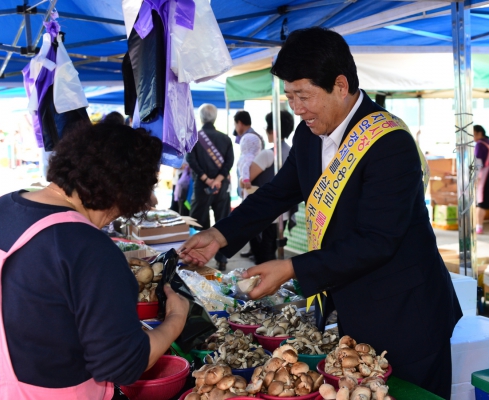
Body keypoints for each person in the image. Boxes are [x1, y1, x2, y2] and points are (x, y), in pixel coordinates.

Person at [180, 27, 461, 399]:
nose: (296, 107)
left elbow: (377, 240)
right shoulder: (309, 134)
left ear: (340, 86)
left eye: (303, 95)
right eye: (291, 95)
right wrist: (220, 235)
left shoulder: (390, 143)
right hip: (354, 308)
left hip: (408, 313)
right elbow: (279, 192)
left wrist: (292, 268)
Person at [0, 122, 190, 400]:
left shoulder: (1, 208)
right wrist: (176, 318)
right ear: (125, 192)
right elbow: (123, 364)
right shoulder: (87, 245)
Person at [186, 104, 234, 271]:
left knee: (199, 221)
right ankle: (222, 260)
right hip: (221, 186)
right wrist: (218, 179)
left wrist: (207, 179)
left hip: (202, 186)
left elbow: (191, 160)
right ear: (214, 118)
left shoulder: (195, 137)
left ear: (201, 118)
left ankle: (195, 258)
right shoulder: (225, 138)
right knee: (223, 223)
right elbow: (229, 163)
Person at [248, 110, 295, 264]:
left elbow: (247, 178)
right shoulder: (291, 151)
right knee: (271, 253)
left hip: (267, 213)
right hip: (285, 212)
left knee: (264, 257)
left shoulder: (268, 154)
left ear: (272, 130)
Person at [234, 111, 265, 196]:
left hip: (251, 185)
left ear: (239, 123)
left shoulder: (252, 139)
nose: (235, 129)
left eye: (235, 125)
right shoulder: (257, 137)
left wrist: (246, 180)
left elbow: (250, 165)